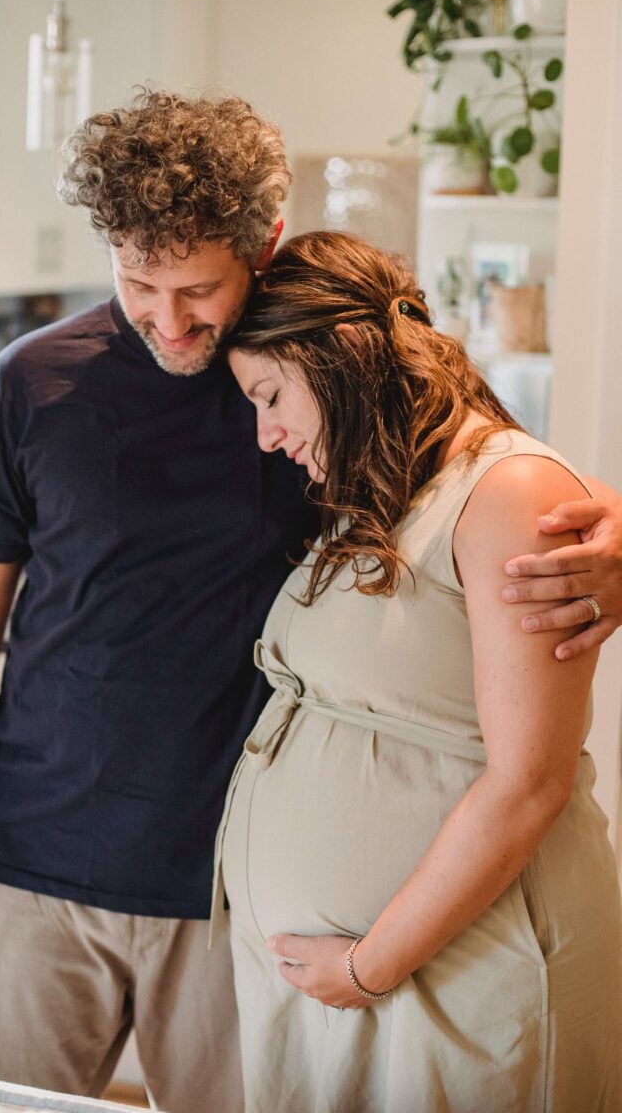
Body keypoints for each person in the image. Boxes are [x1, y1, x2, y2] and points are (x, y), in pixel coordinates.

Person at [0, 89, 622, 1108]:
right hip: (38, 858)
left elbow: (482, 463)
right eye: (137, 283)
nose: (168, 321)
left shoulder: (312, 377)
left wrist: (606, 524)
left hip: (229, 894)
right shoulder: (32, 385)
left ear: (264, 245)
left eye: (198, 289)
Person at [215, 229, 622, 1113]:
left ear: (342, 353)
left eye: (271, 396)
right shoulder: (385, 487)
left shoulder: (508, 492)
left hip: (463, 971)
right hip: (378, 980)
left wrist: (370, 965)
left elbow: (529, 783)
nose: (267, 434)